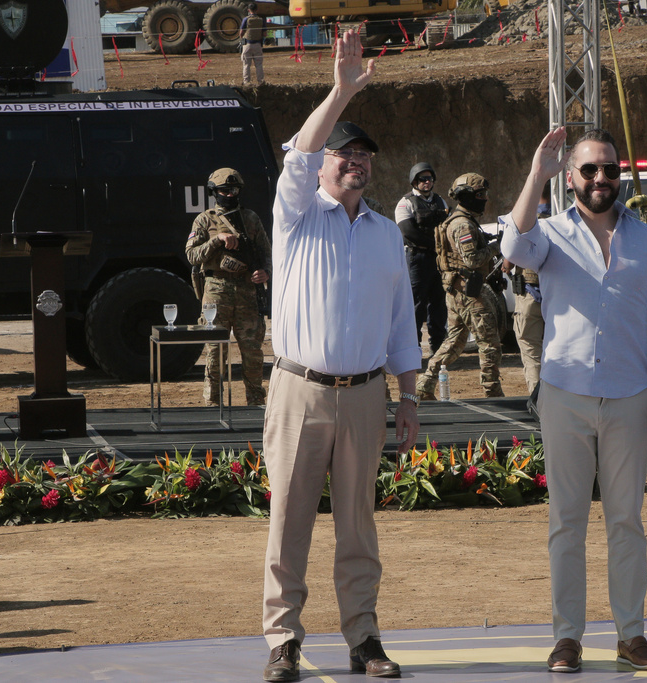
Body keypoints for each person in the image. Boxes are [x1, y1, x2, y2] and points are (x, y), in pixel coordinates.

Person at [260, 28, 421, 682]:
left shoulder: (387, 235)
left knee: (358, 525)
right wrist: (342, 88)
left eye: (365, 155)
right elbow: (298, 152)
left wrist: (408, 395)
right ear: (324, 164)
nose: (356, 160)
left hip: (363, 395)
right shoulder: (296, 214)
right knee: (288, 523)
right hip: (300, 389)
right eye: (344, 153)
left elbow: (402, 325)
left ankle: (364, 638)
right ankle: (282, 642)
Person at [500, 127, 647, 673]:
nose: (601, 178)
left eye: (610, 169)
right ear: (571, 176)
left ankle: (631, 635)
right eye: (589, 169)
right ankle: (567, 638)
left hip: (631, 396)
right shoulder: (549, 235)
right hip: (565, 396)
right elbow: (512, 246)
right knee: (567, 520)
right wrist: (537, 171)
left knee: (626, 520)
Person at [185, 167, 272, 406]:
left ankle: (256, 402)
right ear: (215, 192)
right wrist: (216, 240)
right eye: (225, 190)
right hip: (216, 290)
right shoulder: (205, 219)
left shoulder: (251, 218)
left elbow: (267, 254)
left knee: (253, 351)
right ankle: (213, 403)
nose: (230, 195)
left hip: (247, 291)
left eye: (234, 190)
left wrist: (265, 273)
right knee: (215, 351)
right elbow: (192, 256)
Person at [415, 172, 504, 399]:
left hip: (458, 290)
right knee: (489, 342)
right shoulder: (463, 224)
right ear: (467, 196)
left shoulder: (459, 220)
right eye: (480, 195)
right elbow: (472, 260)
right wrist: (497, 247)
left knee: (455, 341)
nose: (484, 199)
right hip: (468, 292)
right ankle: (492, 392)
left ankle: (425, 384)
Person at [395, 162, 449, 357]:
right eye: (422, 179)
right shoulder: (406, 202)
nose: (427, 182)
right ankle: (413, 349)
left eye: (429, 178)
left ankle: (438, 350)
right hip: (417, 258)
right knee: (416, 305)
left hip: (439, 260)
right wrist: (435, 244)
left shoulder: (441, 201)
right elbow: (408, 232)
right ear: (414, 181)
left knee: (439, 304)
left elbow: (447, 227)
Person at [503, 181, 549, 394]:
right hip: (557, 296)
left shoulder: (524, 220)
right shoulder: (563, 217)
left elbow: (509, 259)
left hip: (529, 295)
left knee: (531, 352)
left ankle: (538, 401)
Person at [239, 2, 265, 86]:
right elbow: (264, 34)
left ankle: (247, 82)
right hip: (257, 44)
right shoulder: (261, 20)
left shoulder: (246, 19)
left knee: (246, 64)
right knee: (259, 64)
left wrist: (241, 37)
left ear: (248, 10)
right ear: (257, 10)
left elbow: (241, 32)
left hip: (247, 44)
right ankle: (260, 81)